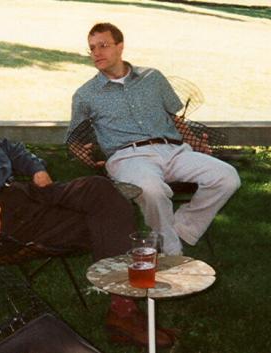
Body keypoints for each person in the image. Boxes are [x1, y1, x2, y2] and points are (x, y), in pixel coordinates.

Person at [0, 60, 177, 348]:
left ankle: (124, 305)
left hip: (26, 198)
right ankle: (124, 313)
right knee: (105, 222)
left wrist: (35, 167)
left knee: (99, 189)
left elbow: (11, 148)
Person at [67, 22, 241, 256]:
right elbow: (73, 138)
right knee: (151, 190)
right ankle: (172, 253)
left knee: (227, 177)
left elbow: (174, 116)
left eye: (103, 45)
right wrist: (85, 156)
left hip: (174, 150)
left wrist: (194, 142)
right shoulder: (85, 94)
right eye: (92, 48)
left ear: (120, 46)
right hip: (129, 157)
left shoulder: (153, 77)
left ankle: (179, 229)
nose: (96, 53)